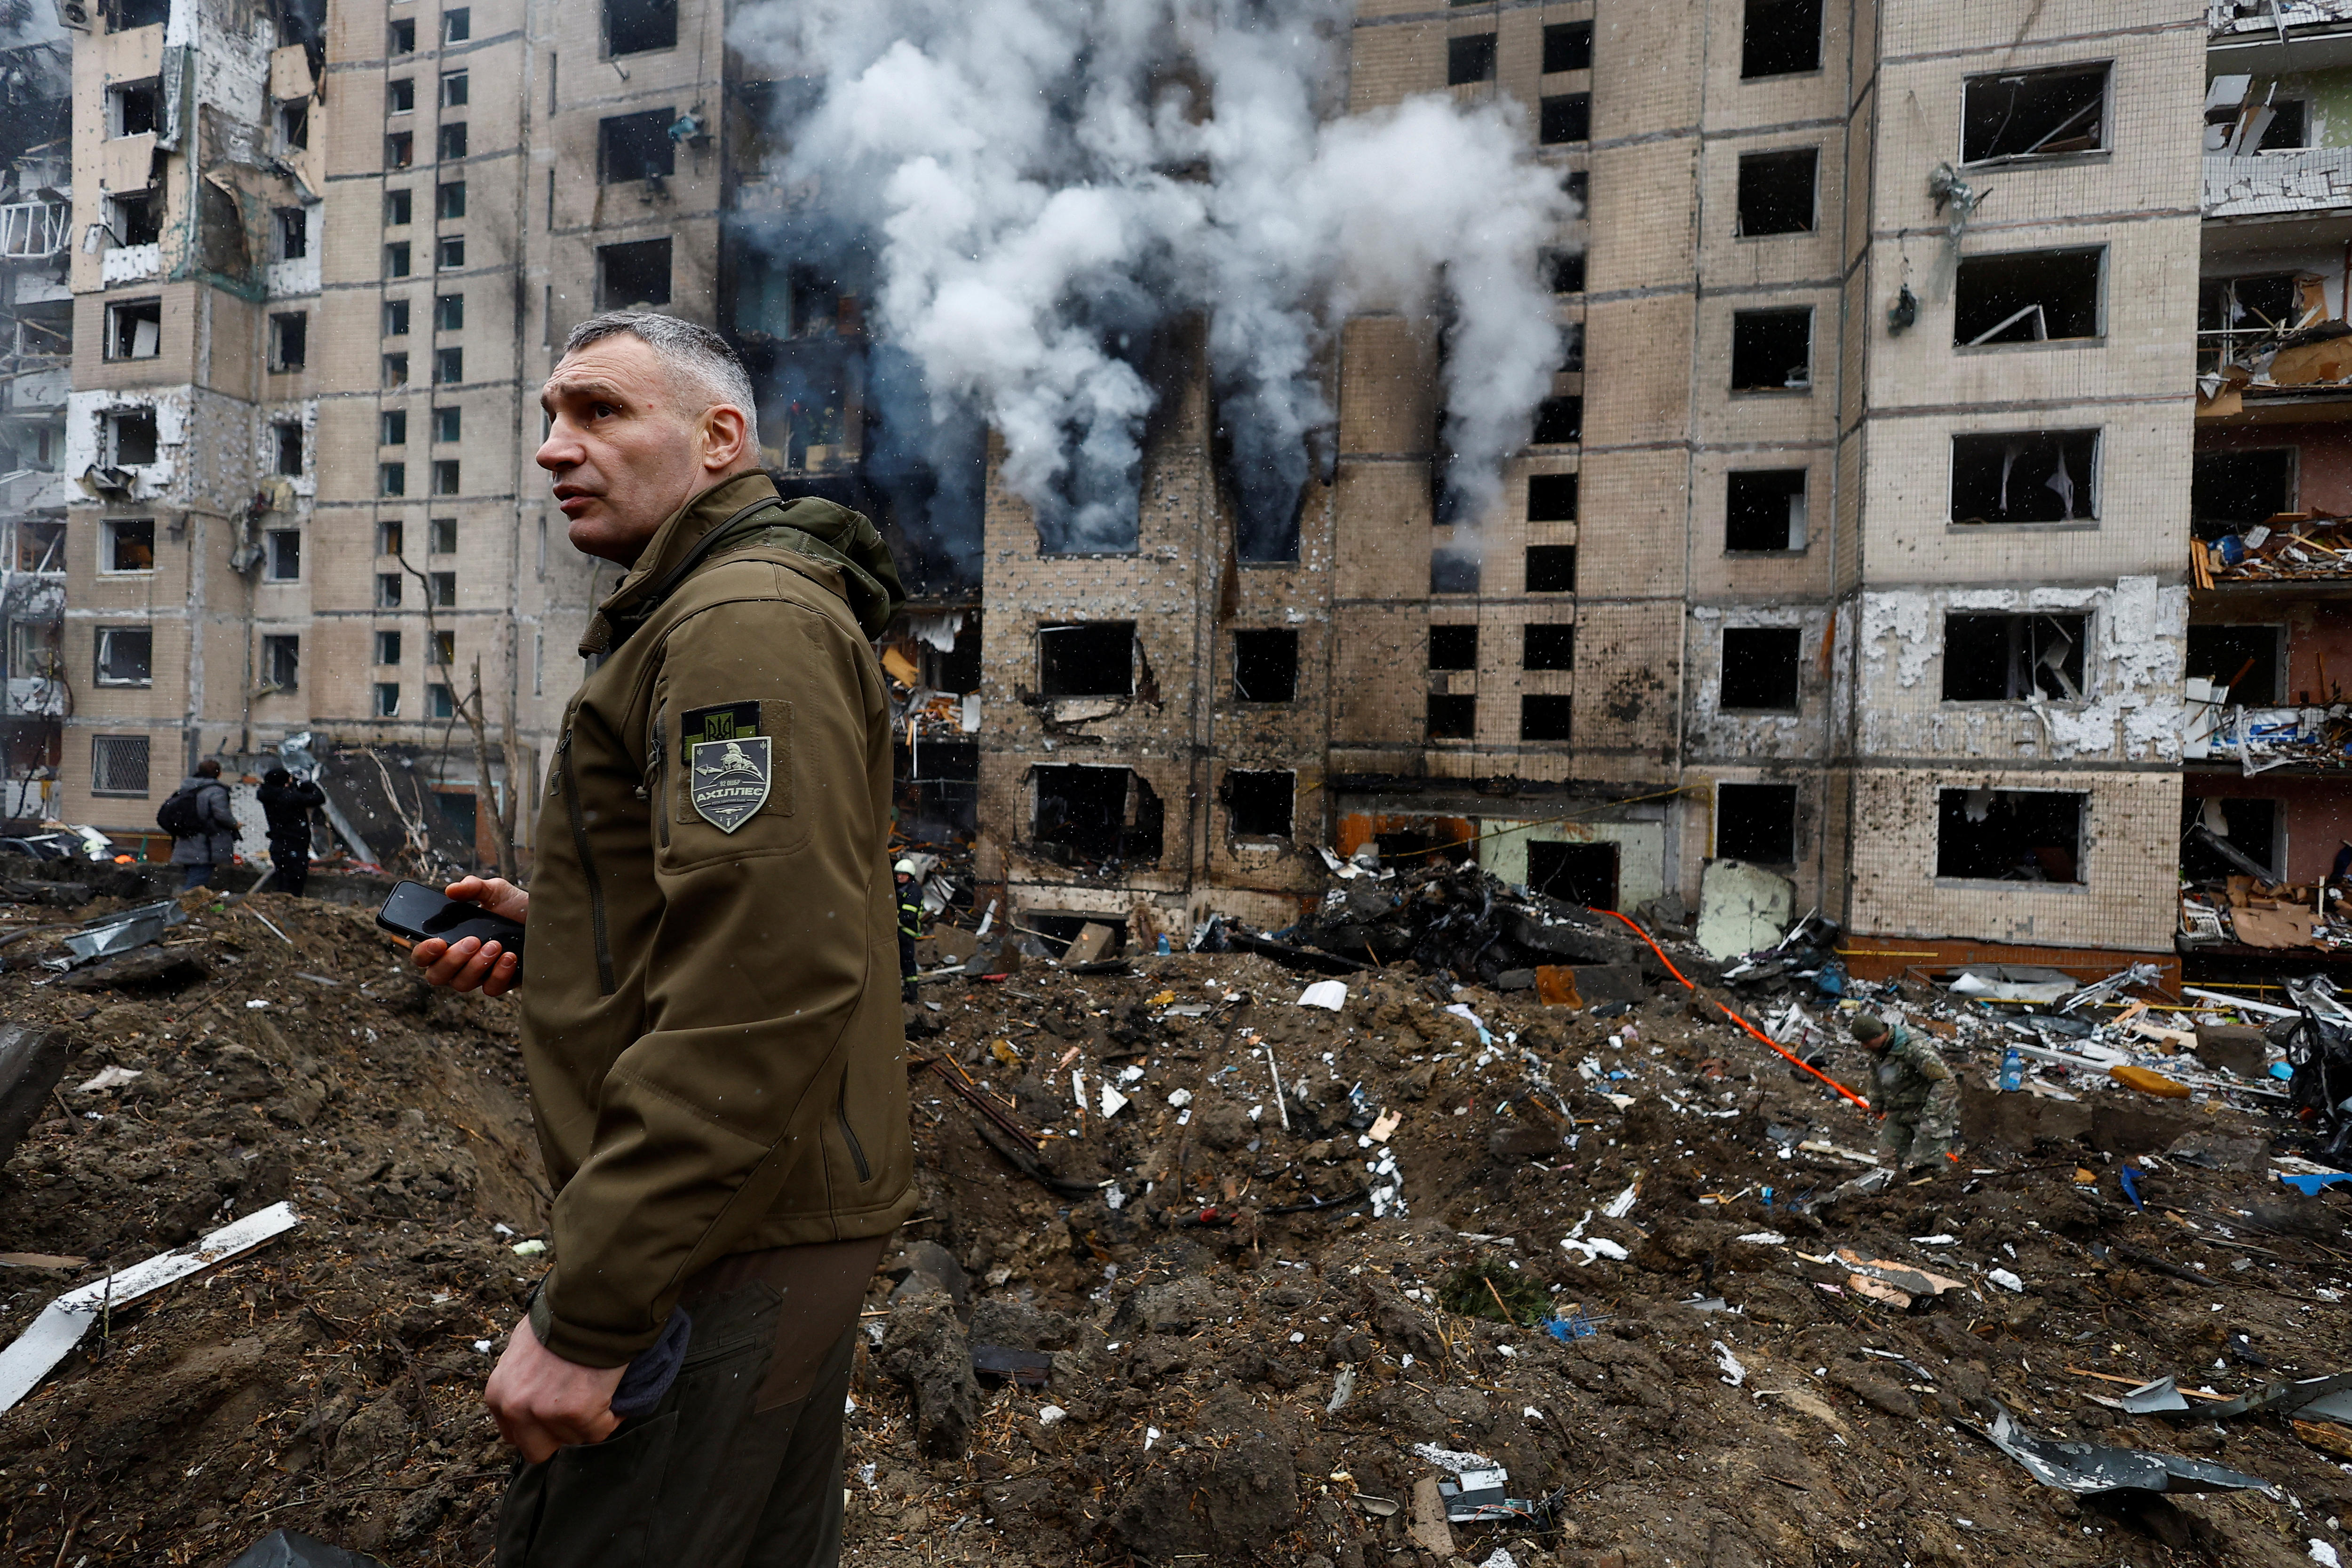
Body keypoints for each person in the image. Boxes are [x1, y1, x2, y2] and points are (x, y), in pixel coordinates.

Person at [407, 312, 915, 1568]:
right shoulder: (706, 611)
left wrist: (592, 1311)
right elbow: (744, 916)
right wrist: (573, 940)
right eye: (548, 417)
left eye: (598, 412)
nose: (552, 449)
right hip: (767, 1210)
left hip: (725, 1239)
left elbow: (766, 977)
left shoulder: (736, 624)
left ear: (717, 438)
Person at [1848, 1012, 1960, 1170]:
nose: (1865, 1047)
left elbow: (1946, 1081)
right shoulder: (1877, 1051)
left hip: (1927, 1109)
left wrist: (1932, 1116)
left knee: (1929, 1164)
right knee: (1887, 1159)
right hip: (1900, 1110)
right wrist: (1877, 1101)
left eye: (1866, 1042)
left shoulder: (1914, 1047)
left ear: (1879, 1035)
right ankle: (1890, 1189)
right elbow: (1877, 1077)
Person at [163, 758, 238, 890]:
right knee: (197, 884)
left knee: (193, 876)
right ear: (219, 773)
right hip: (206, 845)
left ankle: (185, 905)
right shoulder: (216, 791)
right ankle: (184, 908)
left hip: (187, 841)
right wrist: (235, 824)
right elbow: (222, 815)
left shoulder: (187, 788)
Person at [256, 767, 326, 897]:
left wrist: (293, 784)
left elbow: (292, 795)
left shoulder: (268, 794)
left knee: (283, 882)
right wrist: (307, 783)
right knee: (295, 884)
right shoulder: (287, 797)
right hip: (294, 845)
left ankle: (282, 905)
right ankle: (290, 906)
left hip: (280, 844)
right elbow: (318, 798)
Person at [894, 858, 923, 1001]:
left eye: (903, 875)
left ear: (910, 876)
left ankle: (912, 995)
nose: (900, 877)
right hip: (899, 931)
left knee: (907, 962)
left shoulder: (913, 891)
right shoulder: (900, 889)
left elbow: (909, 915)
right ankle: (908, 993)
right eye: (899, 874)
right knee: (903, 963)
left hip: (906, 931)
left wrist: (895, 922)